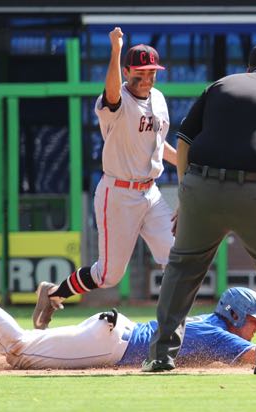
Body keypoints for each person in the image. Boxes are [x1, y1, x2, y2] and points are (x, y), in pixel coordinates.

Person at [142, 42, 256, 375]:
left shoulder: (220, 86)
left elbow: (184, 141)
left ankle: (160, 355)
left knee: (183, 268)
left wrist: (186, 194)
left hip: (202, 188)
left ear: (248, 70)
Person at [0, 264, 256, 370]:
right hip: (110, 343)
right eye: (252, 320)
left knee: (20, 340)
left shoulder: (212, 326)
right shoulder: (219, 335)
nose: (255, 328)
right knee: (18, 350)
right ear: (234, 314)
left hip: (109, 333)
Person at [32, 27, 176, 330]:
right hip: (118, 194)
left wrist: (187, 161)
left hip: (151, 193)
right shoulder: (117, 99)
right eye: (140, 71)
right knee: (109, 276)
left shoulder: (159, 99)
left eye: (152, 71)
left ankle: (175, 326)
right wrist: (115, 50)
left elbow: (159, 146)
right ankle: (53, 293)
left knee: (176, 256)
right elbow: (111, 93)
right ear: (126, 71)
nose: (147, 77)